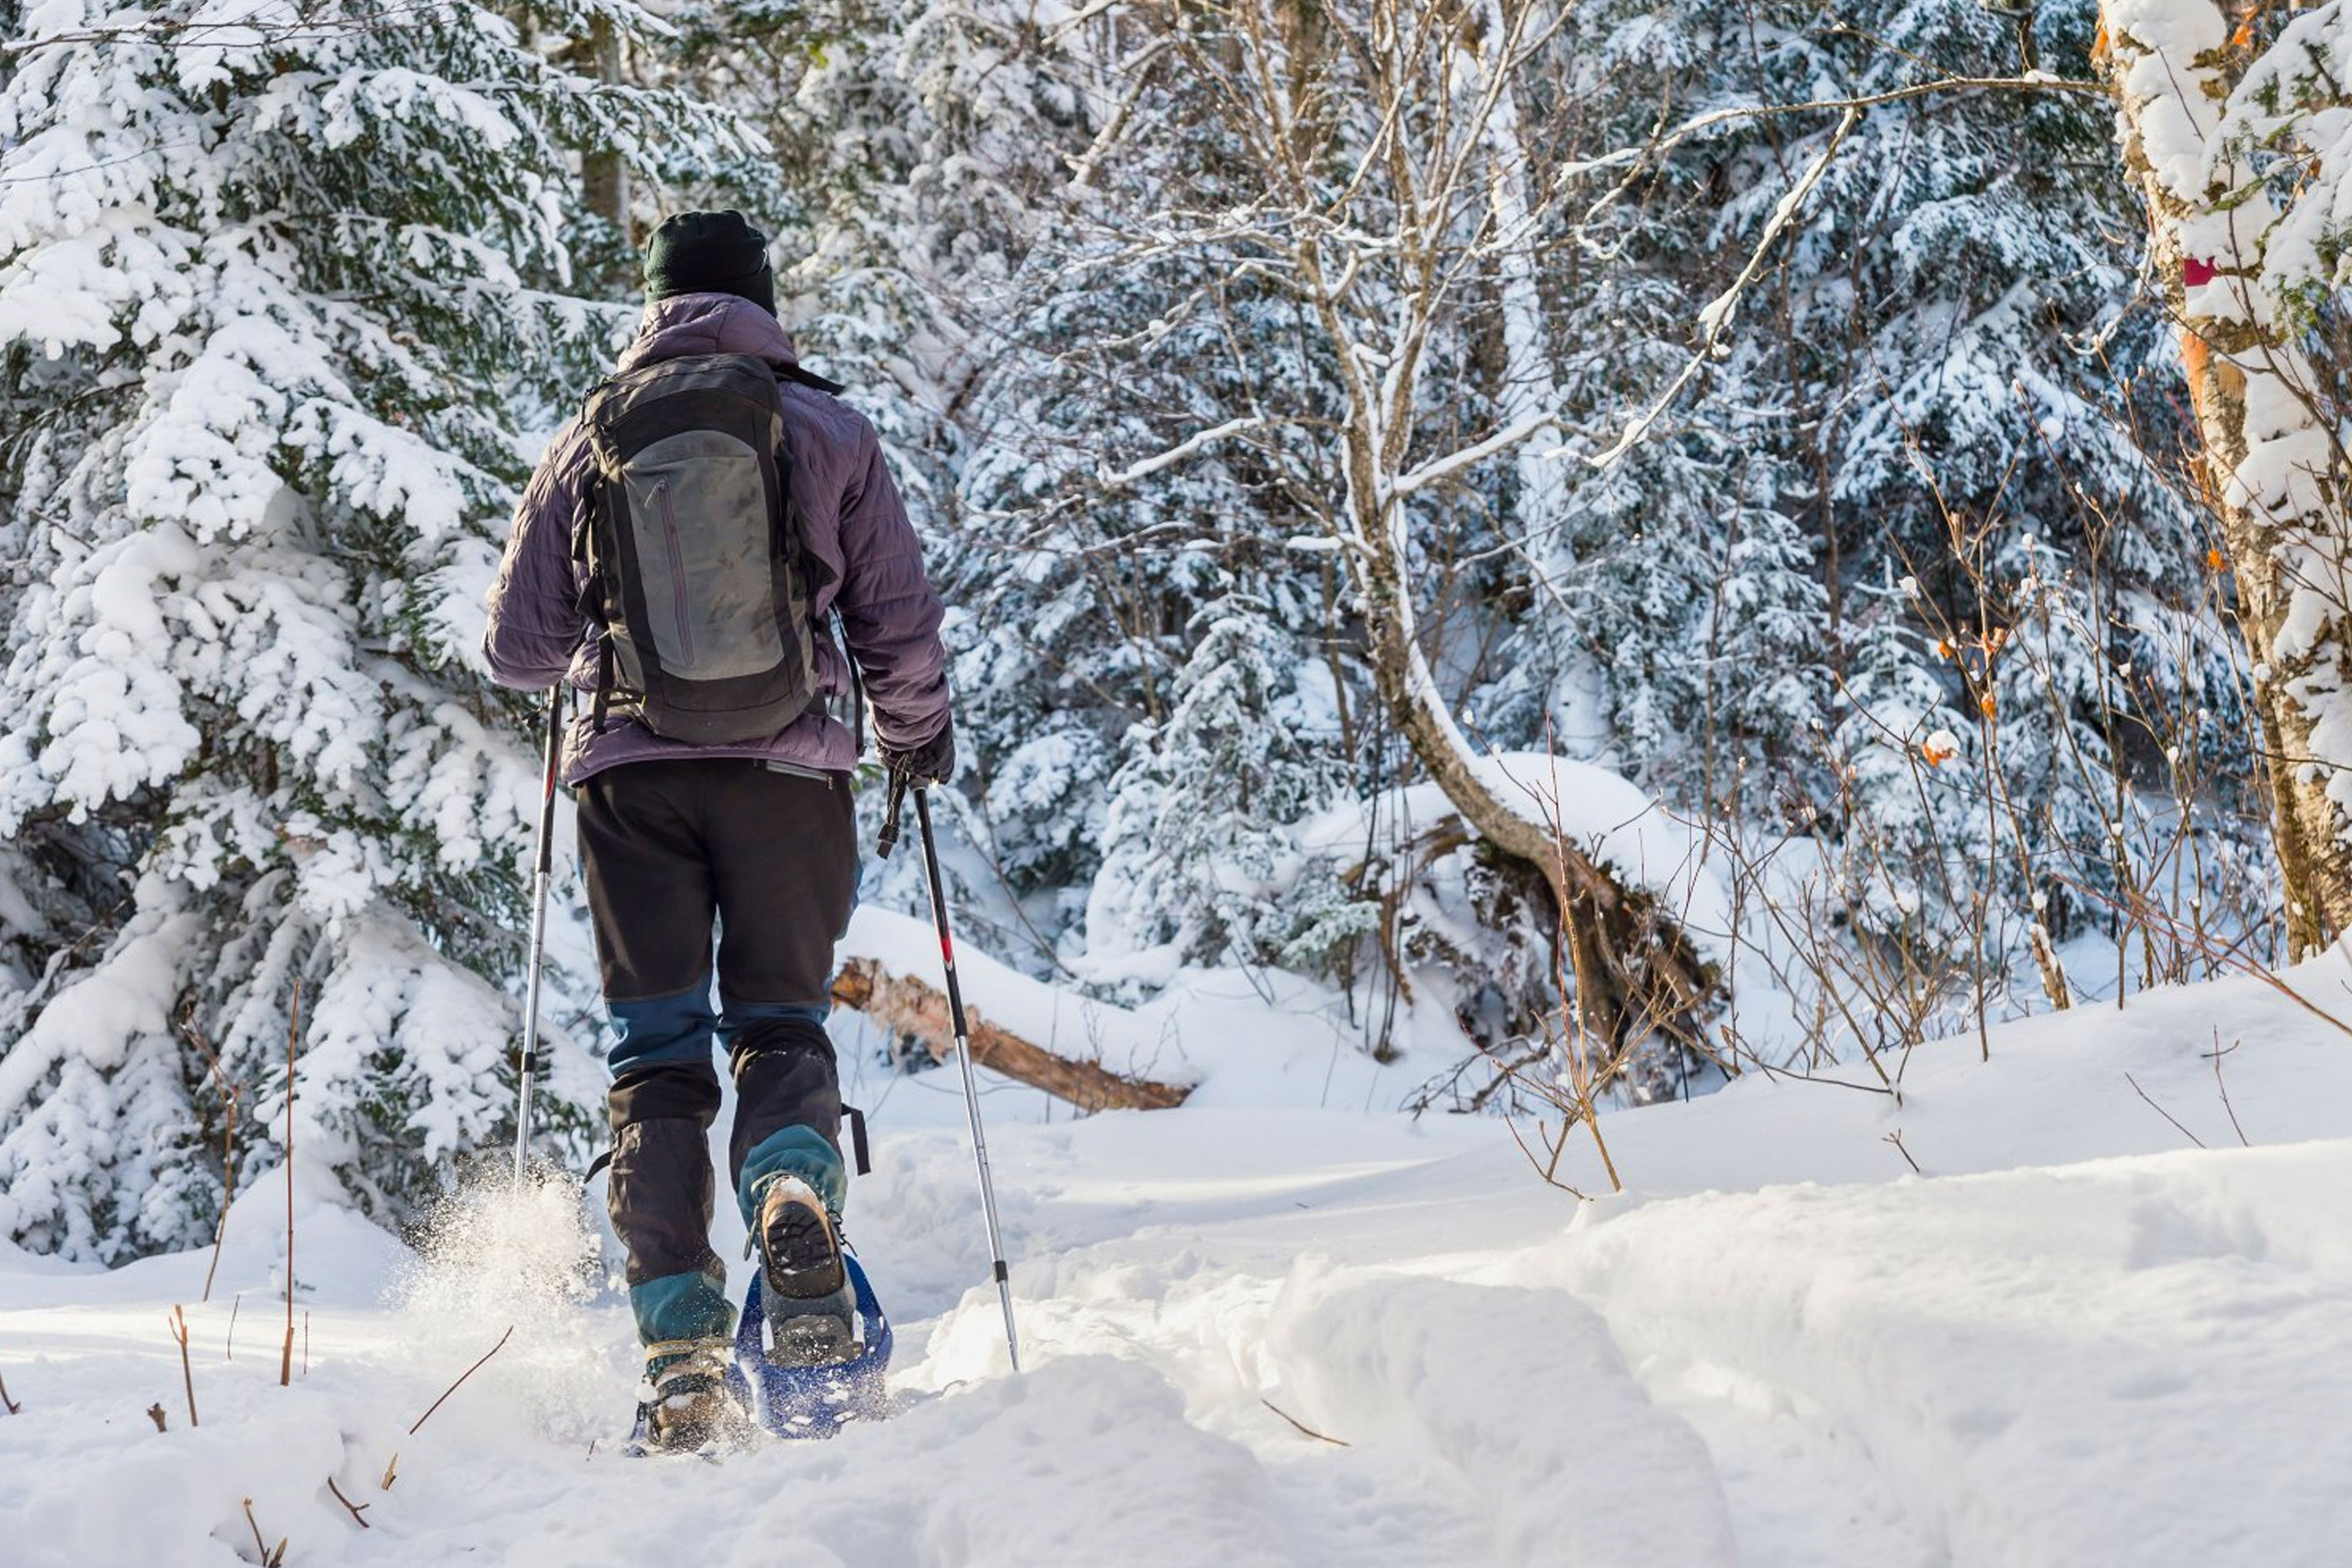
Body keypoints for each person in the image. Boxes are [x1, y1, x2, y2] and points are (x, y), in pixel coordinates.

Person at [483, 209, 954, 1449]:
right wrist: (914, 735)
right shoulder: (831, 428)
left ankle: (683, 1360)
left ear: (652, 305)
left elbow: (518, 650)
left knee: (657, 1062)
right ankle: (791, 1182)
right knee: (780, 1025)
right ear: (762, 299)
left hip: (633, 791)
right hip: (793, 780)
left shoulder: (591, 435)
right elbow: (898, 624)